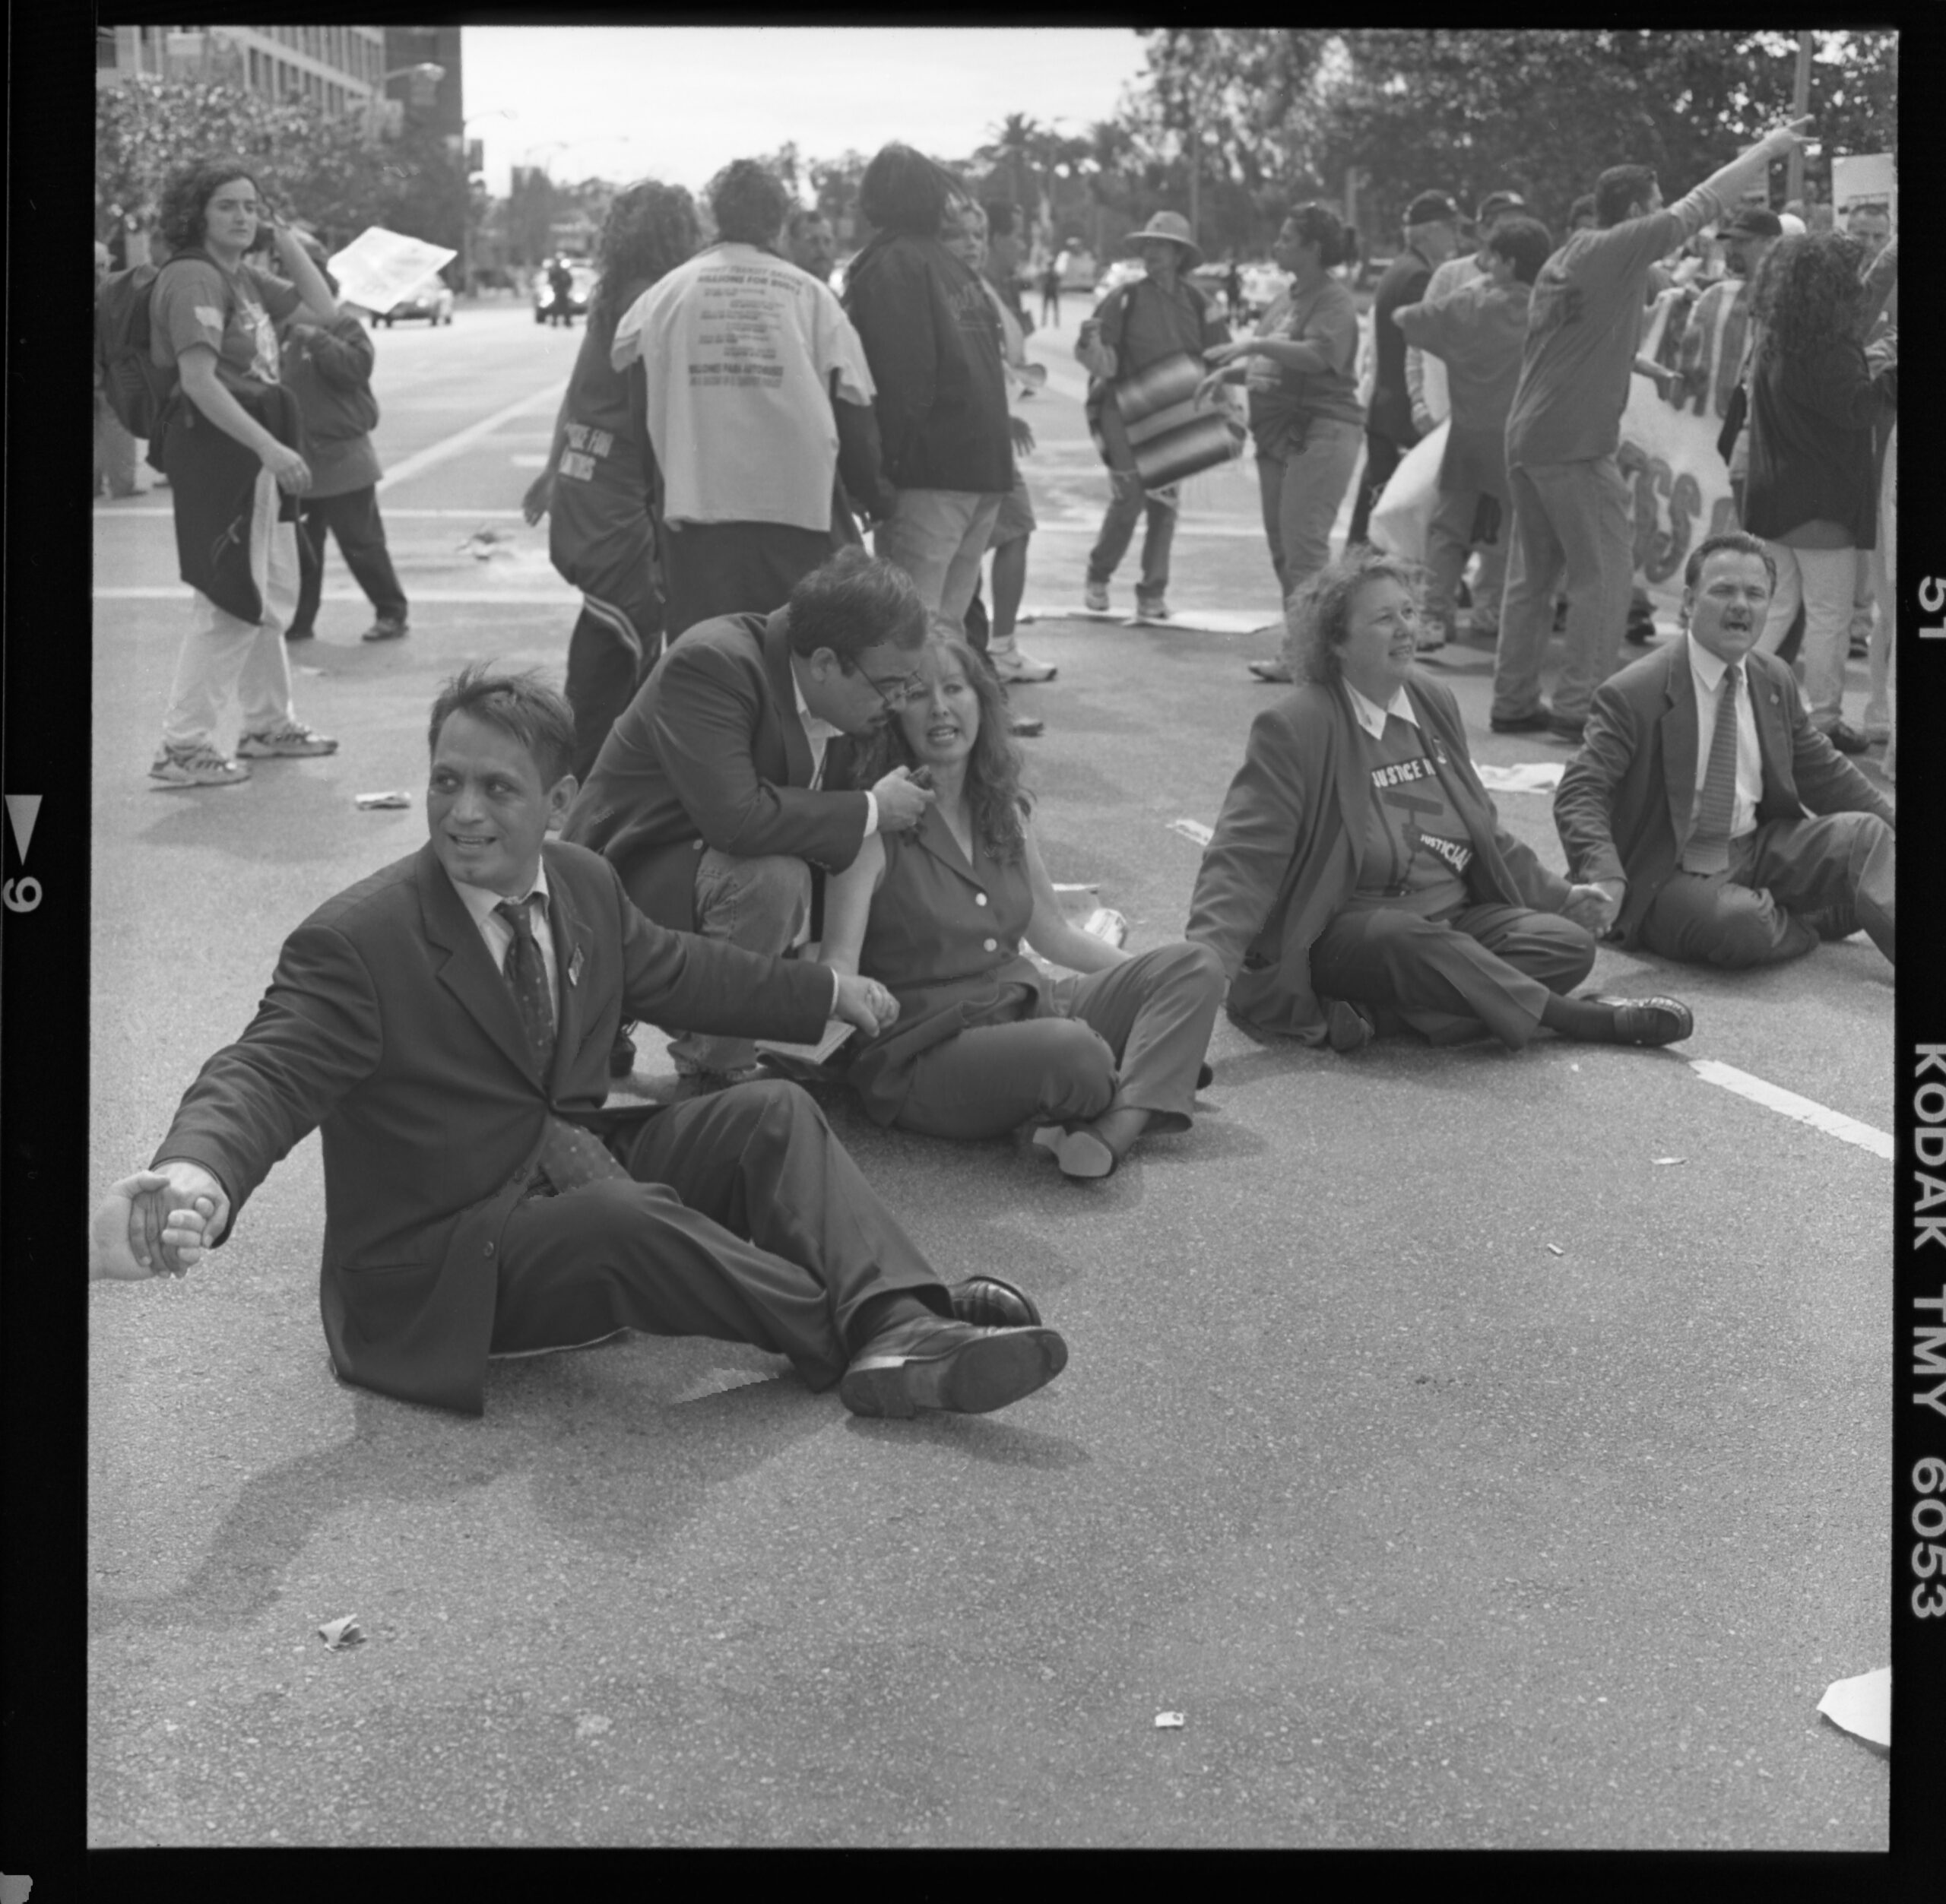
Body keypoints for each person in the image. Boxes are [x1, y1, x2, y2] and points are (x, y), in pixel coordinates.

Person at [90, 666, 1067, 1424]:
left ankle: (900, 1313)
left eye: (497, 789)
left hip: (562, 1164)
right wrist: (194, 1178)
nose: (464, 812)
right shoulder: (360, 940)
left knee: (772, 1109)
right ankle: (878, 1330)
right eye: (445, 782)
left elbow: (685, 971)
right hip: (449, 1258)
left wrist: (828, 989)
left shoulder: (584, 882)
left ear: (557, 803)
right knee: (623, 1224)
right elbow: (261, 1071)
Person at [1185, 549, 1694, 1053]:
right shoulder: (1298, 724)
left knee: (1567, 945)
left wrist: (1562, 897)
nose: (1405, 627)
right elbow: (1243, 857)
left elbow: (1481, 828)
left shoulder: (1431, 698)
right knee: (1403, 938)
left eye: (1408, 612)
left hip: (1451, 918)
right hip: (1355, 934)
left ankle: (1376, 1014)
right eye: (1385, 618)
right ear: (1336, 642)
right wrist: (1202, 967)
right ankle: (1576, 1019)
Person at [817, 633, 1224, 1180]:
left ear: (981, 703)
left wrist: (1156, 999)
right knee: (1076, 1055)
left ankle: (1108, 1129)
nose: (940, 707)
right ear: (891, 714)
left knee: (1195, 967)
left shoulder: (1002, 808)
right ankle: (1136, 1095)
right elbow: (837, 969)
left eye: (955, 688)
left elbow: (1055, 935)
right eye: (917, 694)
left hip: (1025, 1006)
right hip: (926, 1051)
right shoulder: (874, 823)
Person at [1489, 117, 1811, 744]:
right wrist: (1768, 149)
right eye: (1656, 204)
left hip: (1529, 438)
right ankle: (1579, 706)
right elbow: (1704, 204)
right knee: (1604, 576)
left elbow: (1567, 341)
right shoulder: (1620, 247)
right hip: (1577, 445)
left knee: (1532, 579)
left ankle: (1512, 700)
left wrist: (1640, 363)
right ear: (1637, 211)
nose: (1665, 213)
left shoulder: (1567, 258)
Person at [563, 549, 937, 1088]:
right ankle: (712, 1069)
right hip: (617, 885)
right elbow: (735, 821)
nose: (900, 702)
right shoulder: (713, 664)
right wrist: (873, 808)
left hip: (691, 868)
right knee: (771, 878)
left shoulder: (837, 688)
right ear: (826, 663)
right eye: (891, 686)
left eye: (910, 684)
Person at [1553, 532, 1894, 968]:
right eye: (1723, 591)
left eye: (1755, 594)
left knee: (1868, 836)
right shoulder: (1633, 691)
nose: (1740, 605)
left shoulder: (1774, 678)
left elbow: (1823, 771)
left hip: (1754, 846)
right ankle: (1800, 917)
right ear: (1690, 601)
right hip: (1670, 868)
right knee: (1740, 925)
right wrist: (1604, 873)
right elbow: (1579, 792)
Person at [611, 159, 889, 641]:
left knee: (707, 662)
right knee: (799, 654)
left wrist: (654, 502)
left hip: (697, 513)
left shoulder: (665, 295)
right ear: (779, 222)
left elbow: (638, 414)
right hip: (800, 512)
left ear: (716, 216)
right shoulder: (811, 295)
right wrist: (873, 493)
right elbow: (855, 407)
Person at [144, 159, 340, 790]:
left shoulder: (243, 277)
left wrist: (282, 234)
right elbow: (199, 383)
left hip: (254, 455)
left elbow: (323, 307)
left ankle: (266, 722)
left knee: (269, 592)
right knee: (229, 600)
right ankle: (184, 744)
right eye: (228, 205)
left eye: (251, 207)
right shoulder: (196, 279)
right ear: (197, 213)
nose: (242, 217)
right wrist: (271, 450)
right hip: (223, 456)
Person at [524, 180, 699, 781]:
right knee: (622, 643)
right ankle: (584, 790)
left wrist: (553, 471)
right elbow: (659, 415)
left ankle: (580, 781)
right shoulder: (653, 296)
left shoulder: (617, 295)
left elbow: (577, 393)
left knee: (607, 636)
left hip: (586, 482)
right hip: (618, 492)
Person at [843, 144, 1013, 636]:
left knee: (907, 633)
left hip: (930, 475)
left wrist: (878, 476)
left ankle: (923, 716)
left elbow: (903, 382)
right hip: (982, 470)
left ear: (874, 198)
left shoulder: (890, 264)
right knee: (945, 632)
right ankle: (956, 716)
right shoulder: (953, 266)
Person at [1742, 230, 1895, 754]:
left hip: (1774, 498)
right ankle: (1824, 719)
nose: (1857, 285)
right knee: (1827, 617)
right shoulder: (1827, 346)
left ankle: (1738, 701)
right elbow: (1857, 409)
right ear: (1830, 285)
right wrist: (1892, 373)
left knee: (1779, 608)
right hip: (1820, 502)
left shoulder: (1778, 332)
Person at [1198, 204, 1362, 681]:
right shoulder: (1286, 298)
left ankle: (1318, 657)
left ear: (1314, 249)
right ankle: (1302, 650)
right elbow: (1274, 366)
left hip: (1322, 430)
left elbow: (1319, 356)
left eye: (1289, 239)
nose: (1278, 245)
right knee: (1282, 549)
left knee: (1304, 547)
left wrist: (1253, 346)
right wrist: (1229, 373)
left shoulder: (1333, 300)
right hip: (1278, 436)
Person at [1393, 214, 1553, 651]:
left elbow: (1404, 318)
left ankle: (1432, 616)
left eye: (1489, 258)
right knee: (1508, 530)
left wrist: (1472, 291)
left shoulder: (1470, 305)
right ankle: (1491, 612)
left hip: (1466, 436)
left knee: (1448, 531)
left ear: (1504, 263)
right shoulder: (1548, 311)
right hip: (1523, 438)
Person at [1076, 210, 1231, 622]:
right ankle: (1098, 574)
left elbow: (1220, 359)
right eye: (1148, 245)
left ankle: (1152, 592)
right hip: (1123, 413)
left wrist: (1227, 407)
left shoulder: (1200, 303)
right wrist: (1088, 344)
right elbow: (1103, 363)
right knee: (1129, 502)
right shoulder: (1123, 298)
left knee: (1164, 506)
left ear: (1180, 254)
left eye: (1161, 245)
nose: (1152, 252)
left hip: (1175, 420)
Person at [940, 198, 1055, 690]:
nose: (973, 244)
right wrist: (1002, 417)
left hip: (984, 437)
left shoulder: (973, 288)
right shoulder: (958, 291)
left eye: (979, 235)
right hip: (978, 441)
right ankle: (993, 649)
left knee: (980, 547)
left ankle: (982, 649)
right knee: (1008, 532)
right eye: (960, 234)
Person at [278, 244, 410, 647]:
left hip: (343, 460)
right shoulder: (277, 332)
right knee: (302, 551)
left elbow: (355, 370)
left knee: (362, 544)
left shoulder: (344, 328)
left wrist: (318, 339)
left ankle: (391, 612)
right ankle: (299, 622)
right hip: (298, 461)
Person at [1345, 191, 1461, 550]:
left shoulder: (1401, 268)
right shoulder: (1418, 277)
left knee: (1377, 507)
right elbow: (1422, 350)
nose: (1457, 237)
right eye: (1451, 228)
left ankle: (1357, 576)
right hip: (1404, 414)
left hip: (1387, 408)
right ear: (1429, 232)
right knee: (1395, 513)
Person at [93, 239, 141, 499]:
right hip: (108, 380)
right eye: (98, 266)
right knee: (117, 429)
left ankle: (97, 485)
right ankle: (122, 486)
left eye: (102, 266)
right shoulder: (111, 295)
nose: (101, 272)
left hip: (106, 377)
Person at [784, 205, 837, 284]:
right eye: (813, 242)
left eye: (827, 241)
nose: (822, 249)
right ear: (792, 246)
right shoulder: (783, 291)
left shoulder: (838, 295)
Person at [546, 257, 575, 328]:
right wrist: (554, 286)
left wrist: (567, 289)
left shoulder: (564, 272)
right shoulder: (553, 272)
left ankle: (568, 321)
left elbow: (570, 281)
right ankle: (555, 321)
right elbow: (550, 281)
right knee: (555, 307)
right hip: (557, 292)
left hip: (564, 292)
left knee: (566, 308)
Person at [1038, 255, 1062, 329]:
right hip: (1048, 291)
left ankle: (1056, 322)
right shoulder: (1047, 273)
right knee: (1045, 308)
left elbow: (1058, 281)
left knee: (1055, 308)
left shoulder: (1055, 273)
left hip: (1053, 292)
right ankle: (1044, 321)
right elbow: (1043, 282)